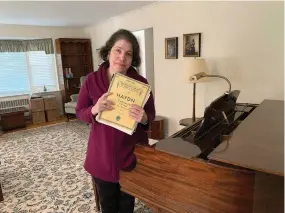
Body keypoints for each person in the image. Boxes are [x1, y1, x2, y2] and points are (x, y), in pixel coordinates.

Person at [75, 29, 156, 213]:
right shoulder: (91, 80)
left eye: (128, 53)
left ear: (133, 58)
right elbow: (80, 112)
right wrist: (94, 109)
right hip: (101, 157)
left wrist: (144, 118)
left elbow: (150, 114)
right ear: (108, 52)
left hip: (130, 156)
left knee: (127, 206)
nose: (122, 57)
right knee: (108, 206)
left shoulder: (141, 84)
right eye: (118, 50)